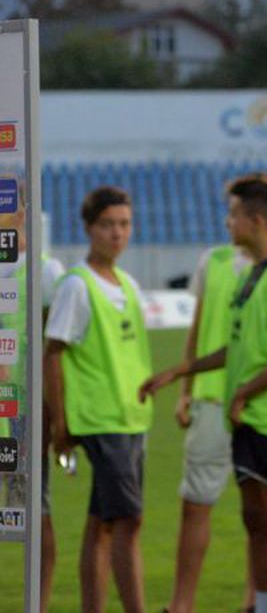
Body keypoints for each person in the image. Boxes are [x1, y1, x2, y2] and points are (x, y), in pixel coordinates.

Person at [140, 173, 267, 613]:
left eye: (233, 214)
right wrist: (182, 370)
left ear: (256, 219)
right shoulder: (250, 275)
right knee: (254, 519)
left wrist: (242, 394)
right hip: (248, 419)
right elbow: (236, 348)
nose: (227, 222)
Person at [45, 186, 152, 613]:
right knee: (130, 520)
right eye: (107, 224)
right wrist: (59, 424)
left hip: (131, 418)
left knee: (104, 521)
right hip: (100, 419)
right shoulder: (77, 285)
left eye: (124, 224)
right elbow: (54, 353)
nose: (117, 233)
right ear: (89, 228)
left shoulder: (127, 282)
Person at [160, 240, 252, 613]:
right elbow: (197, 328)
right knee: (195, 504)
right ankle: (182, 605)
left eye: (237, 212)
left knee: (263, 512)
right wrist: (185, 391)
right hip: (211, 399)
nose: (231, 220)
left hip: (261, 404)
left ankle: (256, 601)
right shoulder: (212, 260)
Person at [0, 183, 65, 613]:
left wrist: (54, 415)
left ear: (22, 214)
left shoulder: (44, 272)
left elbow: (55, 348)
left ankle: (36, 606)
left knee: (32, 509)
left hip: (22, 411)